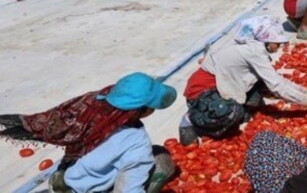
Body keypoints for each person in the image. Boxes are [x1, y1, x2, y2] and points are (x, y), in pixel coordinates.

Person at [0, 73, 177, 193]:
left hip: (65, 176)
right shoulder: (136, 141)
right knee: (162, 161)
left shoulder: (89, 107)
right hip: (88, 188)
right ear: (141, 112)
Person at [179, 15, 307, 145]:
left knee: (257, 94)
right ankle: (191, 119)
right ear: (265, 39)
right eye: (277, 43)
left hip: (224, 83)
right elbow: (277, 86)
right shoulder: (253, 51)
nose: (279, 47)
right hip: (201, 91)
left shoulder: (250, 42)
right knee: (232, 112)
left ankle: (224, 106)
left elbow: (276, 80)